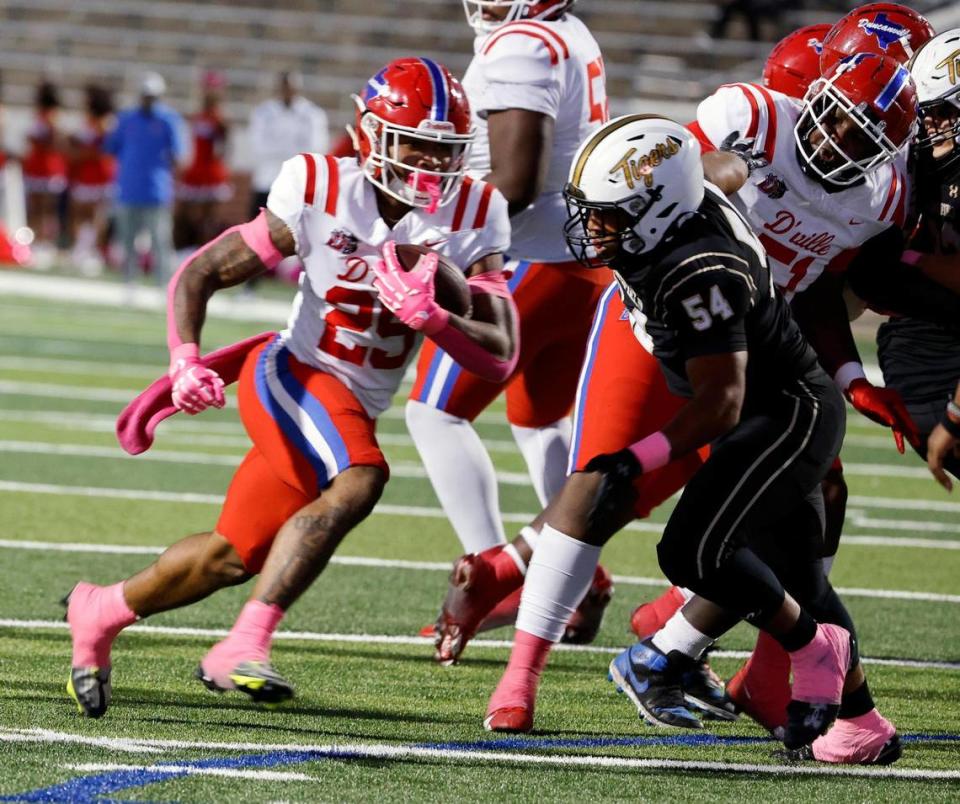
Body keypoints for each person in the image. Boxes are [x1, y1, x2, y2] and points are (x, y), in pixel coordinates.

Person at [476, 49, 919, 750]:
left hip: (745, 372)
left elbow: (728, 391)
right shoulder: (736, 138)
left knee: (714, 545)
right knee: (739, 545)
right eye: (834, 118)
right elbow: (701, 168)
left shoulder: (697, 268)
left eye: (610, 218)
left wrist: (640, 456)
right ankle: (848, 714)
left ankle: (679, 650)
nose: (838, 141)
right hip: (723, 360)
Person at [64, 57, 517, 718]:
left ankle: (101, 610)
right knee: (361, 477)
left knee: (231, 556)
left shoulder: (477, 208)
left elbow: (501, 353)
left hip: (353, 401)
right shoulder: (319, 184)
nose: (429, 164)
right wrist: (185, 358)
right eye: (414, 143)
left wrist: (440, 320)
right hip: (293, 374)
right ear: (368, 135)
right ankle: (241, 646)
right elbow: (203, 271)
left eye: (444, 150)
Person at [407, 0, 616, 653]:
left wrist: (433, 234)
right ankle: (579, 577)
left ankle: (491, 570)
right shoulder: (561, 31)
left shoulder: (523, 43)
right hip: (579, 261)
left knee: (434, 412)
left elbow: (517, 181)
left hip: (529, 257)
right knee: (536, 422)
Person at [106, 72, 184, 289]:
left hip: (156, 190)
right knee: (127, 239)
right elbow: (112, 147)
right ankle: (129, 281)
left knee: (160, 241)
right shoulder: (126, 119)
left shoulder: (168, 120)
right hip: (129, 187)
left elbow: (177, 155)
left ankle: (163, 284)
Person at [247, 70, 328, 218]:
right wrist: (292, 151)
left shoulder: (312, 114)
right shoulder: (263, 112)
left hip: (299, 184)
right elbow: (257, 146)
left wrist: (278, 149)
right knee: (260, 229)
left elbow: (316, 148)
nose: (287, 90)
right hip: (267, 180)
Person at [175, 70, 231, 251]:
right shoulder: (198, 116)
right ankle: (187, 248)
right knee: (187, 214)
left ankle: (205, 251)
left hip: (211, 172)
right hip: (196, 170)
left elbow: (222, 150)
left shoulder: (220, 120)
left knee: (209, 218)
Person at [68, 84, 116, 274]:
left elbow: (103, 150)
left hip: (101, 176)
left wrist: (83, 153)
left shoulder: (107, 123)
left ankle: (94, 251)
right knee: (80, 214)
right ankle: (81, 249)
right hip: (85, 175)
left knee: (97, 216)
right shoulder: (88, 121)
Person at [22, 80, 68, 258]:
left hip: (49, 170)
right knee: (36, 208)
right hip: (37, 168)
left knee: (47, 209)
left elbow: (55, 142)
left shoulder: (52, 117)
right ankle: (35, 240)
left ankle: (46, 241)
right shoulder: (40, 116)